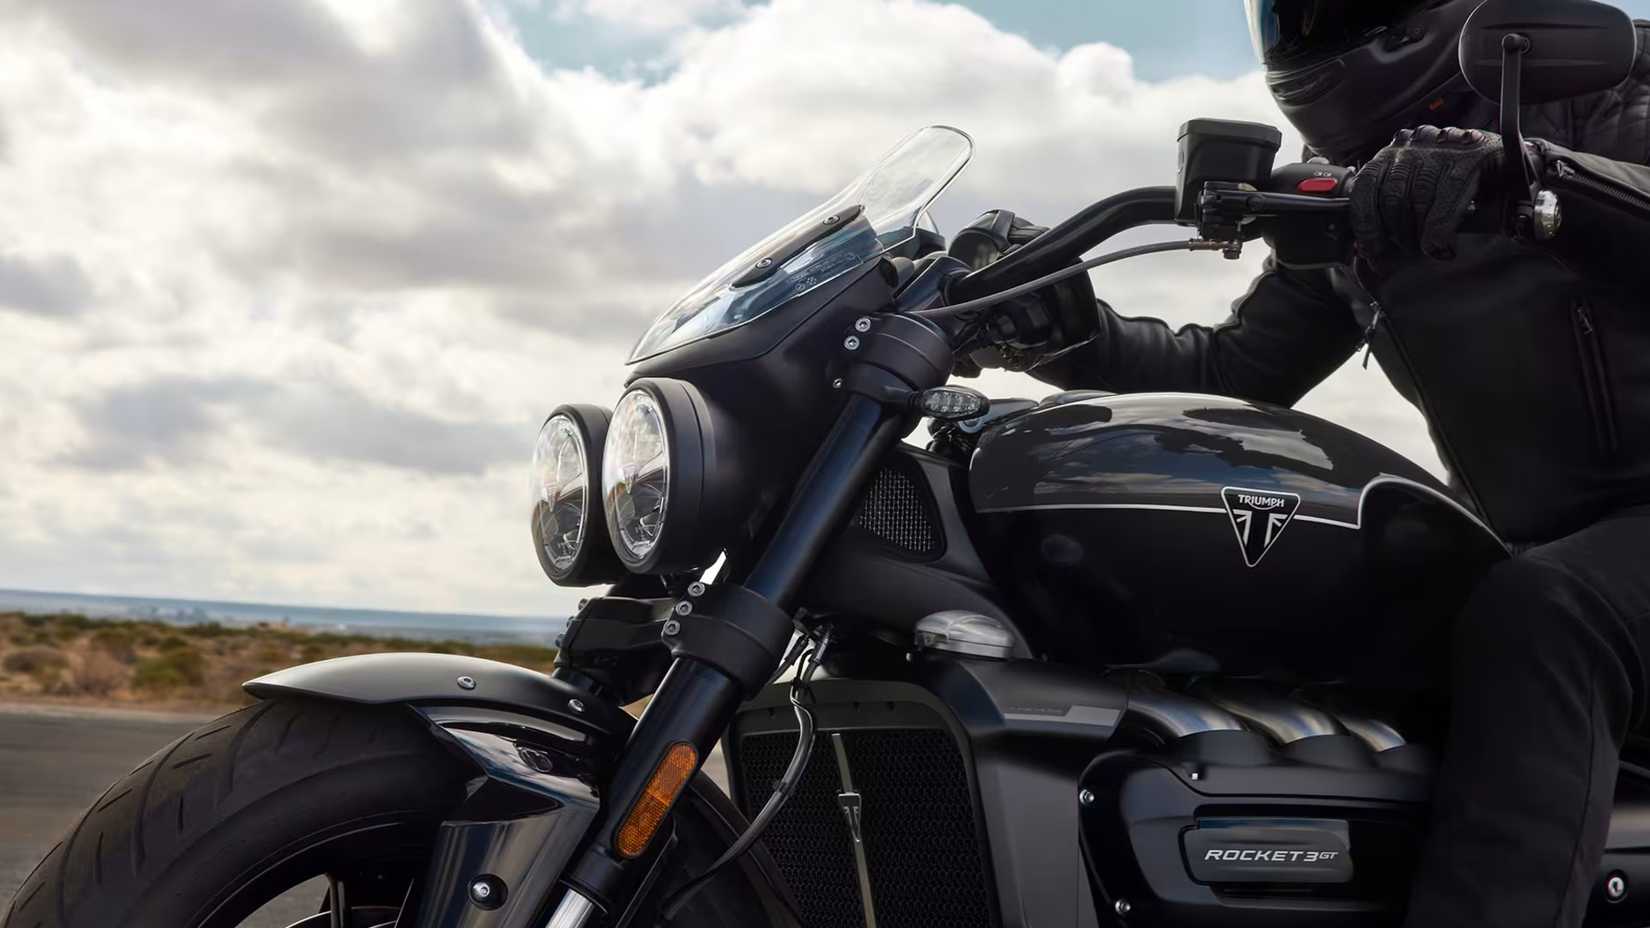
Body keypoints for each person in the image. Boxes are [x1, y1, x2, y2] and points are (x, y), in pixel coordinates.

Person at [968, 2, 1650, 925]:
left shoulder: (1618, 89)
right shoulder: (1370, 185)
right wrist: (1071, 330)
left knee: (1549, 611)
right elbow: (1231, 373)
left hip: (1597, 565)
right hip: (1532, 548)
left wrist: (1542, 182)